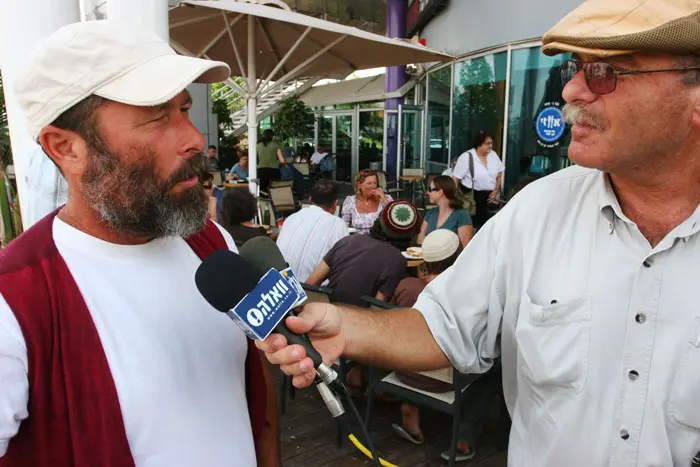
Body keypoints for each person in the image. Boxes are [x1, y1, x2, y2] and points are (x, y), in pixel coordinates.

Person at [256, 1, 700, 465]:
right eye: (577, 68)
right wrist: (343, 325)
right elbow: (443, 327)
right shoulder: (538, 210)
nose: (571, 89)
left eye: (606, 72)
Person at [0, 21, 280, 467]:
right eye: (156, 118)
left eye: (185, 109)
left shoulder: (211, 240)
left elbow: (254, 386)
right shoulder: (15, 302)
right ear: (66, 148)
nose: (194, 139)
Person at [390, 230, 501, 462]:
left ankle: (411, 408)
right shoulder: (468, 295)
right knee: (494, 364)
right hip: (442, 380)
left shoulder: (406, 285)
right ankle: (464, 437)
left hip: (403, 370)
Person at [306, 200, 419, 307]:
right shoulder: (397, 260)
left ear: (378, 220)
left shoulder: (347, 241)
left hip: (327, 315)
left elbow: (310, 285)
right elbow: (378, 308)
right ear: (410, 235)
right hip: (357, 322)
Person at [276, 180, 348, 282]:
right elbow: (344, 262)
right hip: (312, 291)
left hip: (280, 285)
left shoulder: (291, 218)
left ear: (310, 199)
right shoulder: (337, 223)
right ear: (335, 204)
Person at [452, 131, 504, 229]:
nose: (490, 146)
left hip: (490, 196)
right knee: (474, 224)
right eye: (487, 143)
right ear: (478, 144)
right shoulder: (467, 157)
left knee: (489, 224)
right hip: (472, 196)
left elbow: (499, 174)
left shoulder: (493, 155)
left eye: (491, 143)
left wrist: (496, 190)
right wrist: (453, 197)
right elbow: (456, 178)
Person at [418, 175, 473, 247]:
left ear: (440, 192)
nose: (428, 193)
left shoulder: (462, 215)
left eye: (430, 189)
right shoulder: (430, 213)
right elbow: (420, 240)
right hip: (428, 256)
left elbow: (465, 248)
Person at [341, 169, 393, 235]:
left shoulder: (386, 198)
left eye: (375, 183)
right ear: (359, 185)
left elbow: (394, 219)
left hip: (380, 241)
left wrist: (384, 199)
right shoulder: (350, 201)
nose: (373, 186)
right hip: (358, 242)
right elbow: (344, 226)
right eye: (369, 183)